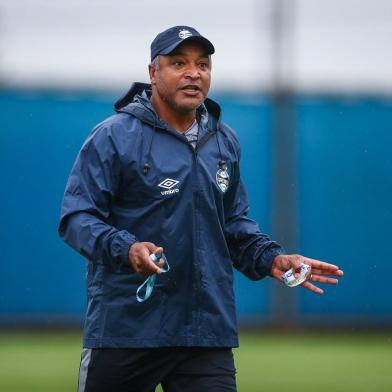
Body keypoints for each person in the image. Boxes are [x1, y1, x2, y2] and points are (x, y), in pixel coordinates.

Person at [59, 25, 343, 392]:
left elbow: (233, 225)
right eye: (179, 63)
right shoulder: (113, 136)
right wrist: (127, 249)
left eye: (203, 64)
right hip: (128, 328)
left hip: (205, 331)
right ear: (152, 73)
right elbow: (76, 218)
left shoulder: (224, 141)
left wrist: (273, 259)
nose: (194, 73)